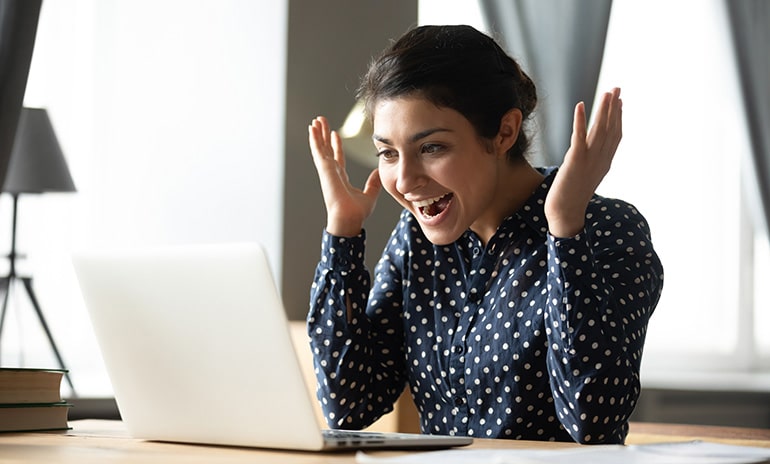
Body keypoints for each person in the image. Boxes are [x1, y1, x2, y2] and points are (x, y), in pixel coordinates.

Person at [306, 24, 663, 445]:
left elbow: (594, 420)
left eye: (431, 148)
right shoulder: (416, 239)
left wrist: (565, 228)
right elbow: (348, 405)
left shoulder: (607, 228)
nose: (403, 180)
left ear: (504, 133)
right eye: (388, 153)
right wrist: (342, 234)